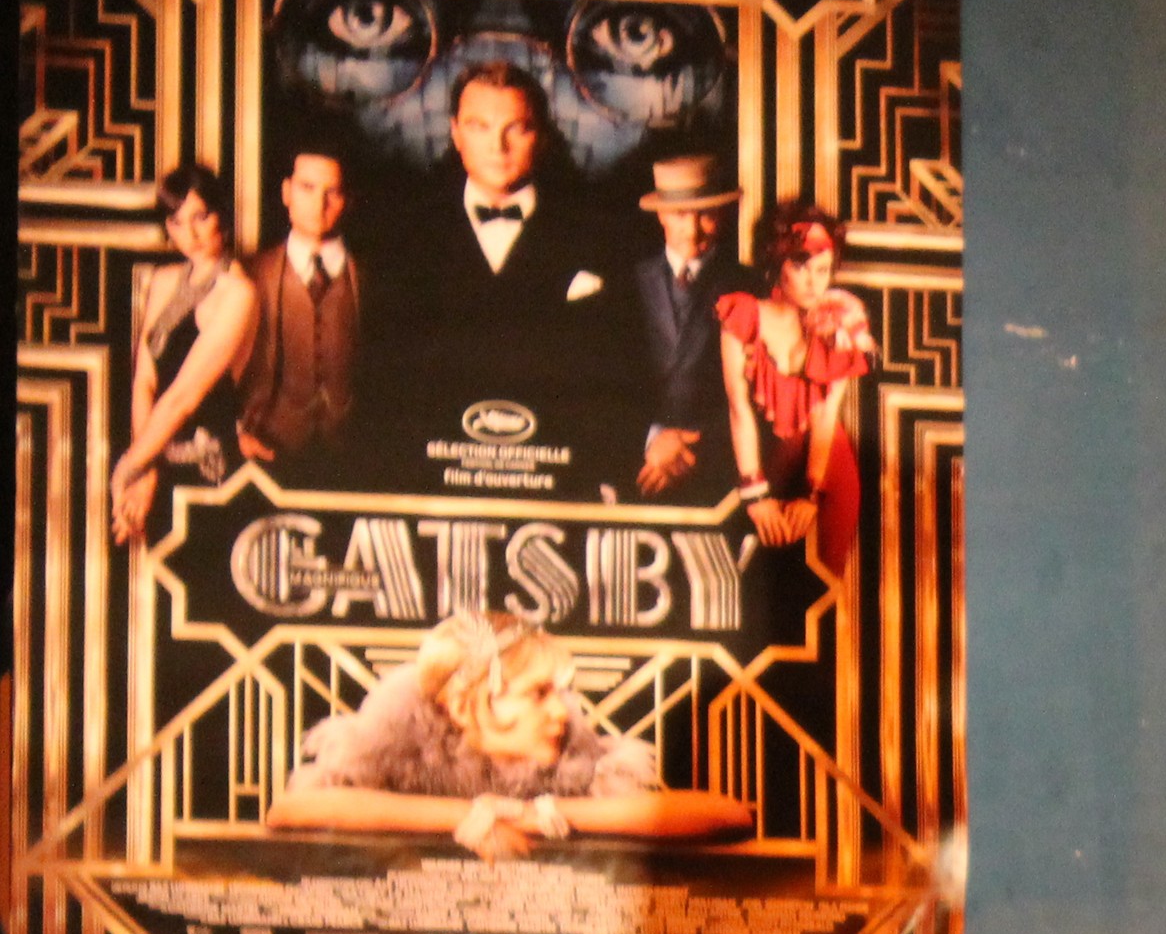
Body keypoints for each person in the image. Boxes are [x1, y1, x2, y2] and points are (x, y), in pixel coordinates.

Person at [268, 609, 755, 861]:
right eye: (538, 693)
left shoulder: (574, 760)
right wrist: (470, 816)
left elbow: (726, 815)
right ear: (465, 706)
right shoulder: (393, 748)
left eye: (559, 693)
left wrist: (533, 814)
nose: (561, 712)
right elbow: (291, 810)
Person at [355, 61, 628, 492]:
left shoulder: (597, 237)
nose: (497, 146)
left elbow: (614, 379)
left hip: (559, 476)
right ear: (455, 133)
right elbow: (384, 381)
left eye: (516, 128)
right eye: (479, 127)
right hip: (430, 479)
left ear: (542, 135)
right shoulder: (403, 237)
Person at [718, 197, 876, 568]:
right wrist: (755, 494)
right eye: (800, 266)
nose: (812, 282)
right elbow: (739, 410)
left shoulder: (839, 326)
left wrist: (811, 493)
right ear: (778, 263)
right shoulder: (744, 315)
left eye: (822, 270)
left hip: (826, 466)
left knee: (827, 573)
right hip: (765, 458)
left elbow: (825, 418)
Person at [112, 164, 261, 544]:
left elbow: (183, 397)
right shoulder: (162, 281)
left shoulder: (238, 292)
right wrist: (146, 472)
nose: (189, 234)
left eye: (200, 217)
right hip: (153, 463)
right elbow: (145, 381)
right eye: (177, 222)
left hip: (208, 471)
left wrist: (128, 467)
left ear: (221, 215)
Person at [626, 153, 748, 500]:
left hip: (717, 472)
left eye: (705, 215)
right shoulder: (627, 282)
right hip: (638, 467)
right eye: (680, 214)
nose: (692, 230)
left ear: (723, 214)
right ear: (661, 214)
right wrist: (654, 440)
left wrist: (693, 444)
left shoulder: (748, 286)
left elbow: (759, 395)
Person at [237, 148, 363, 471]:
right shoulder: (249, 272)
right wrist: (235, 430)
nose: (319, 204)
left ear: (347, 200)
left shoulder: (372, 277)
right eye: (307, 188)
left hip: (354, 457)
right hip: (267, 450)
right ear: (286, 192)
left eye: (332, 192)